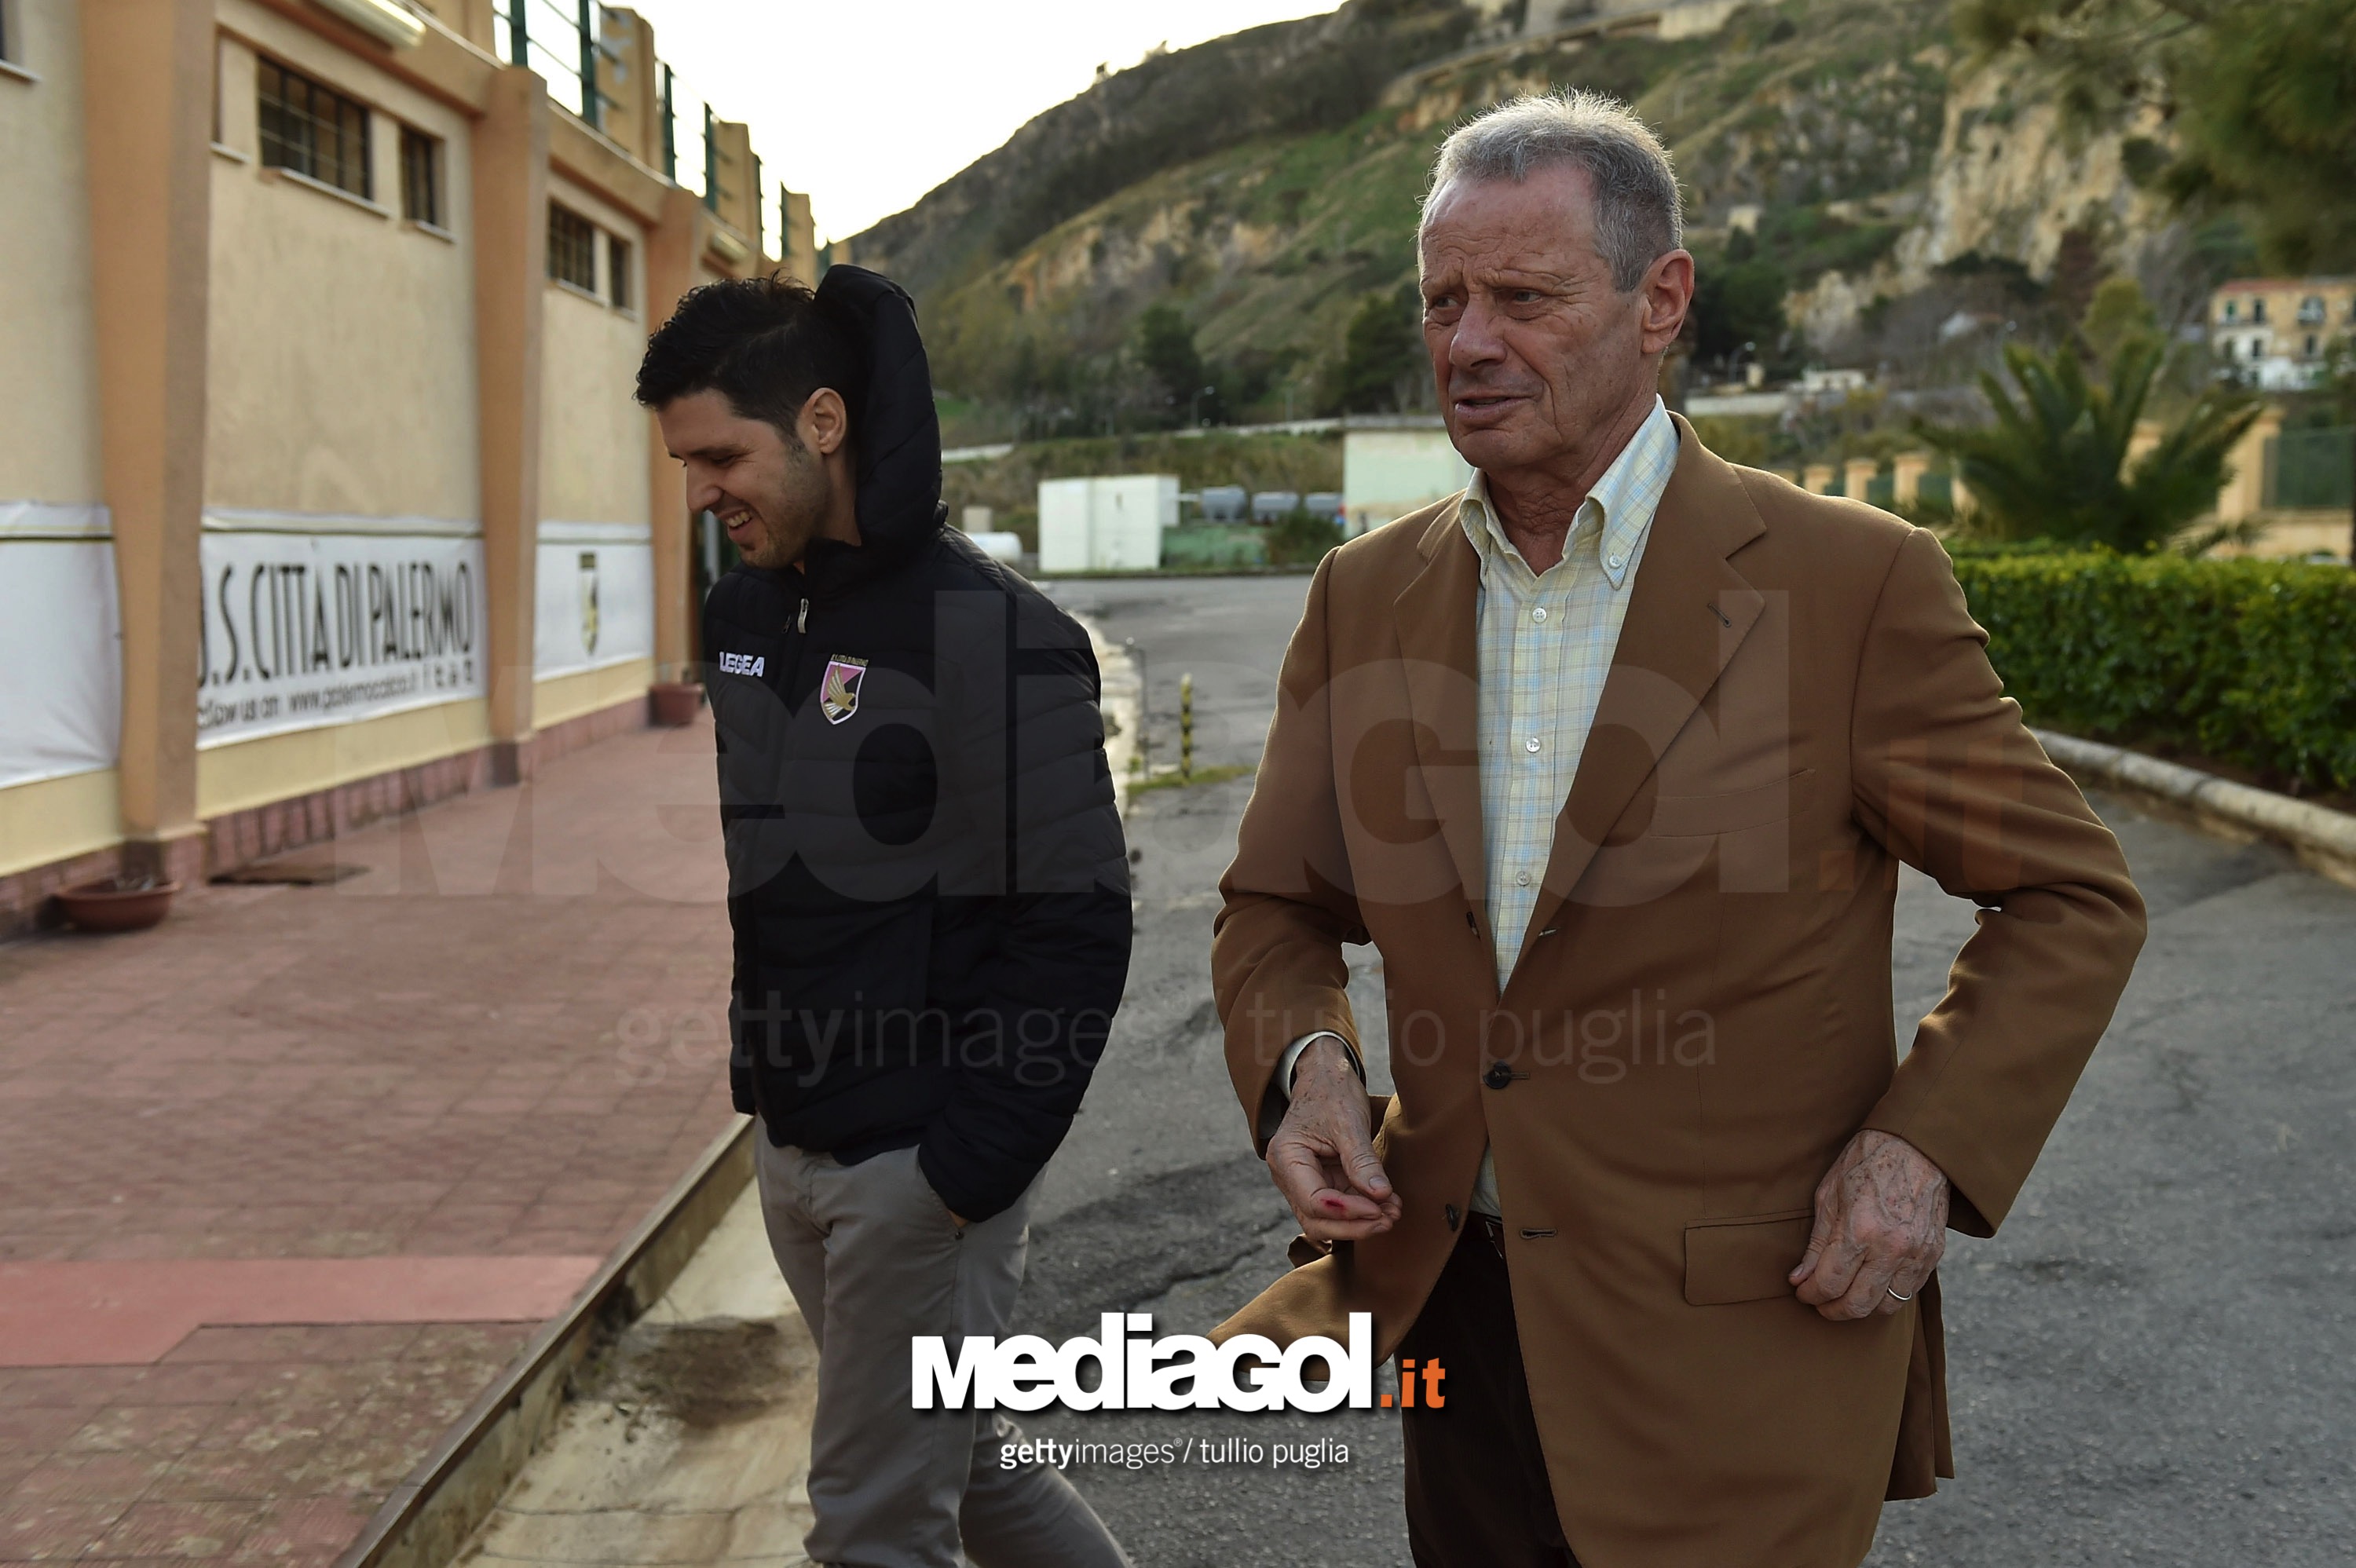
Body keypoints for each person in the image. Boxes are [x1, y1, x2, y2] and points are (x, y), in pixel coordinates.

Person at [1210, 92, 2146, 1567]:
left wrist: (1922, 1147)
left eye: (1523, 297)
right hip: (1456, 1324)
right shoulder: (1360, 594)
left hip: (1744, 1354)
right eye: (1444, 300)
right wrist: (1305, 1063)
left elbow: (2071, 895)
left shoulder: (1854, 585)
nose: (1467, 342)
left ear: (1662, 302)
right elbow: (1274, 905)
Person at [636, 268, 1133, 1568]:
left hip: (919, 1168)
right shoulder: (747, 612)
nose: (700, 491)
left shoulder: (995, 633)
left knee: (872, 1528)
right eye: (684, 462)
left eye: (719, 455)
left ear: (821, 421)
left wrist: (963, 1172)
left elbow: (1077, 924)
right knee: (975, 1479)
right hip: (795, 1145)